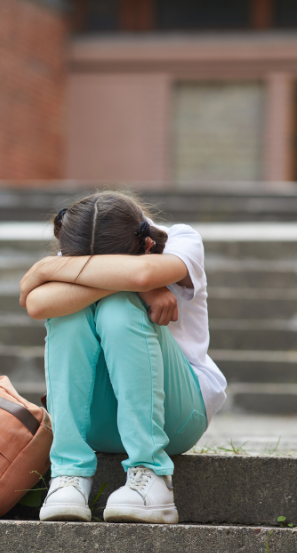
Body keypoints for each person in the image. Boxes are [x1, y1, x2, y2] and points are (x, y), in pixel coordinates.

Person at [19, 191, 227, 524]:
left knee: (118, 306)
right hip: (100, 422)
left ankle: (152, 474)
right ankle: (68, 475)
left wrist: (50, 269)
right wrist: (131, 282)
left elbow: (142, 275)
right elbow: (38, 305)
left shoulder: (181, 241)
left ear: (146, 247)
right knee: (66, 315)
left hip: (177, 415)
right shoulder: (81, 244)